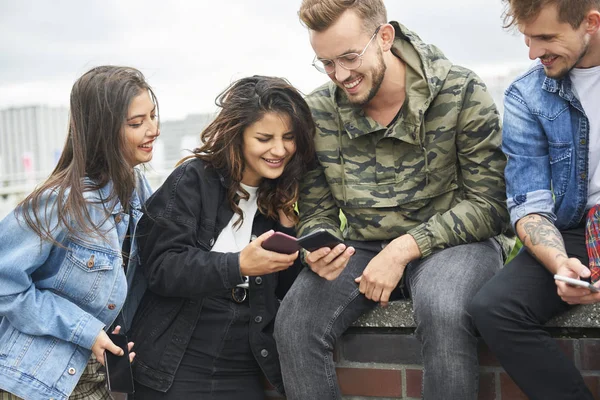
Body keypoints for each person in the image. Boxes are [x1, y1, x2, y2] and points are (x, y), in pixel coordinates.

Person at [273, 1, 513, 399]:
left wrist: (403, 249)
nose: (341, 76)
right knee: (295, 322)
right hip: (364, 246)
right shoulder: (316, 110)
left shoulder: (461, 90)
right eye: (327, 63)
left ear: (385, 37)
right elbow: (316, 208)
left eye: (349, 57)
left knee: (444, 309)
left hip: (457, 244)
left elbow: (489, 203)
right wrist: (319, 242)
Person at [127, 75, 316, 400]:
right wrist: (239, 264)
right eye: (264, 138)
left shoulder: (281, 197)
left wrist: (289, 229)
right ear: (237, 135)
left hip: (243, 362)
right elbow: (162, 268)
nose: (279, 149)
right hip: (177, 359)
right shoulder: (194, 180)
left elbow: (286, 293)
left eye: (288, 137)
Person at [0, 65, 159, 400]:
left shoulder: (140, 194)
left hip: (99, 379)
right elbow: (4, 284)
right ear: (103, 130)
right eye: (136, 123)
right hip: (35, 380)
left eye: (153, 116)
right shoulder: (60, 201)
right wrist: (86, 331)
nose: (153, 129)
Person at [469, 1, 600, 399]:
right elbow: (529, 204)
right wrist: (561, 264)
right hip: (575, 228)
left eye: (546, 37)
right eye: (528, 38)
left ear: (591, 23)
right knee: (494, 308)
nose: (532, 52)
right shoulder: (528, 95)